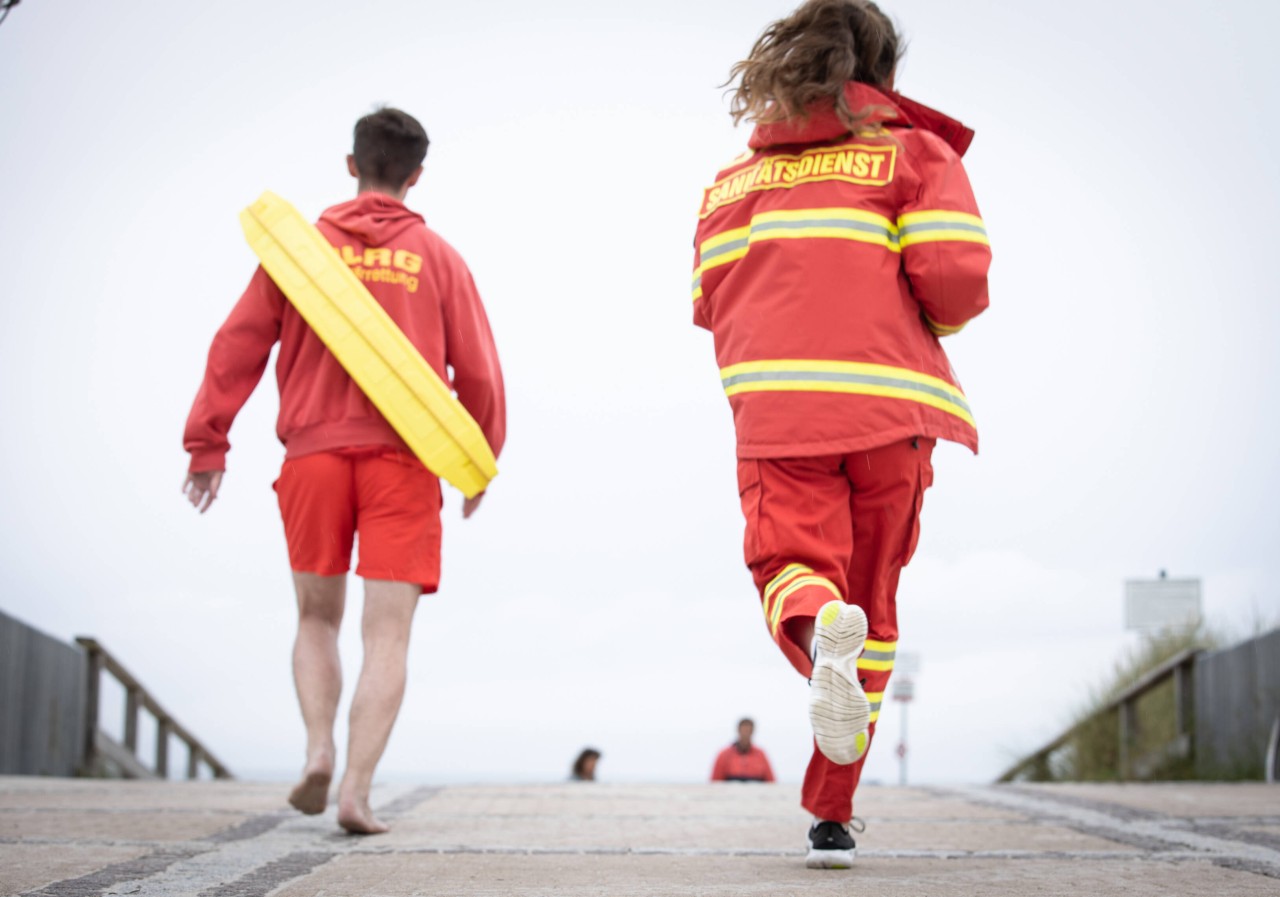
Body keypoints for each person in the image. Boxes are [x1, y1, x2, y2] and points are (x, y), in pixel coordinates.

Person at [691, 0, 990, 869]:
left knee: (795, 570)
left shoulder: (729, 185)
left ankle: (820, 626)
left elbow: (709, 303)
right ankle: (830, 815)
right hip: (891, 415)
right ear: (883, 72)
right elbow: (957, 284)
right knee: (877, 606)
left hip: (780, 414)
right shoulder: (912, 153)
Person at [182, 107, 506, 835]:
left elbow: (237, 345)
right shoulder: (441, 257)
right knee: (386, 635)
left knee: (315, 616)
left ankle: (318, 747)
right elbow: (479, 371)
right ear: (416, 175)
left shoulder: (298, 253)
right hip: (404, 462)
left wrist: (209, 443)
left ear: (350, 163)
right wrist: (478, 459)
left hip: (314, 457)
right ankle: (357, 791)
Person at [710, 718, 775, 782]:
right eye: (744, 729)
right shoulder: (724, 755)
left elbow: (770, 781)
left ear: (753, 731)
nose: (746, 733)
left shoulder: (760, 755)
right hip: (731, 791)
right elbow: (715, 782)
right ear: (738, 730)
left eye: (749, 730)